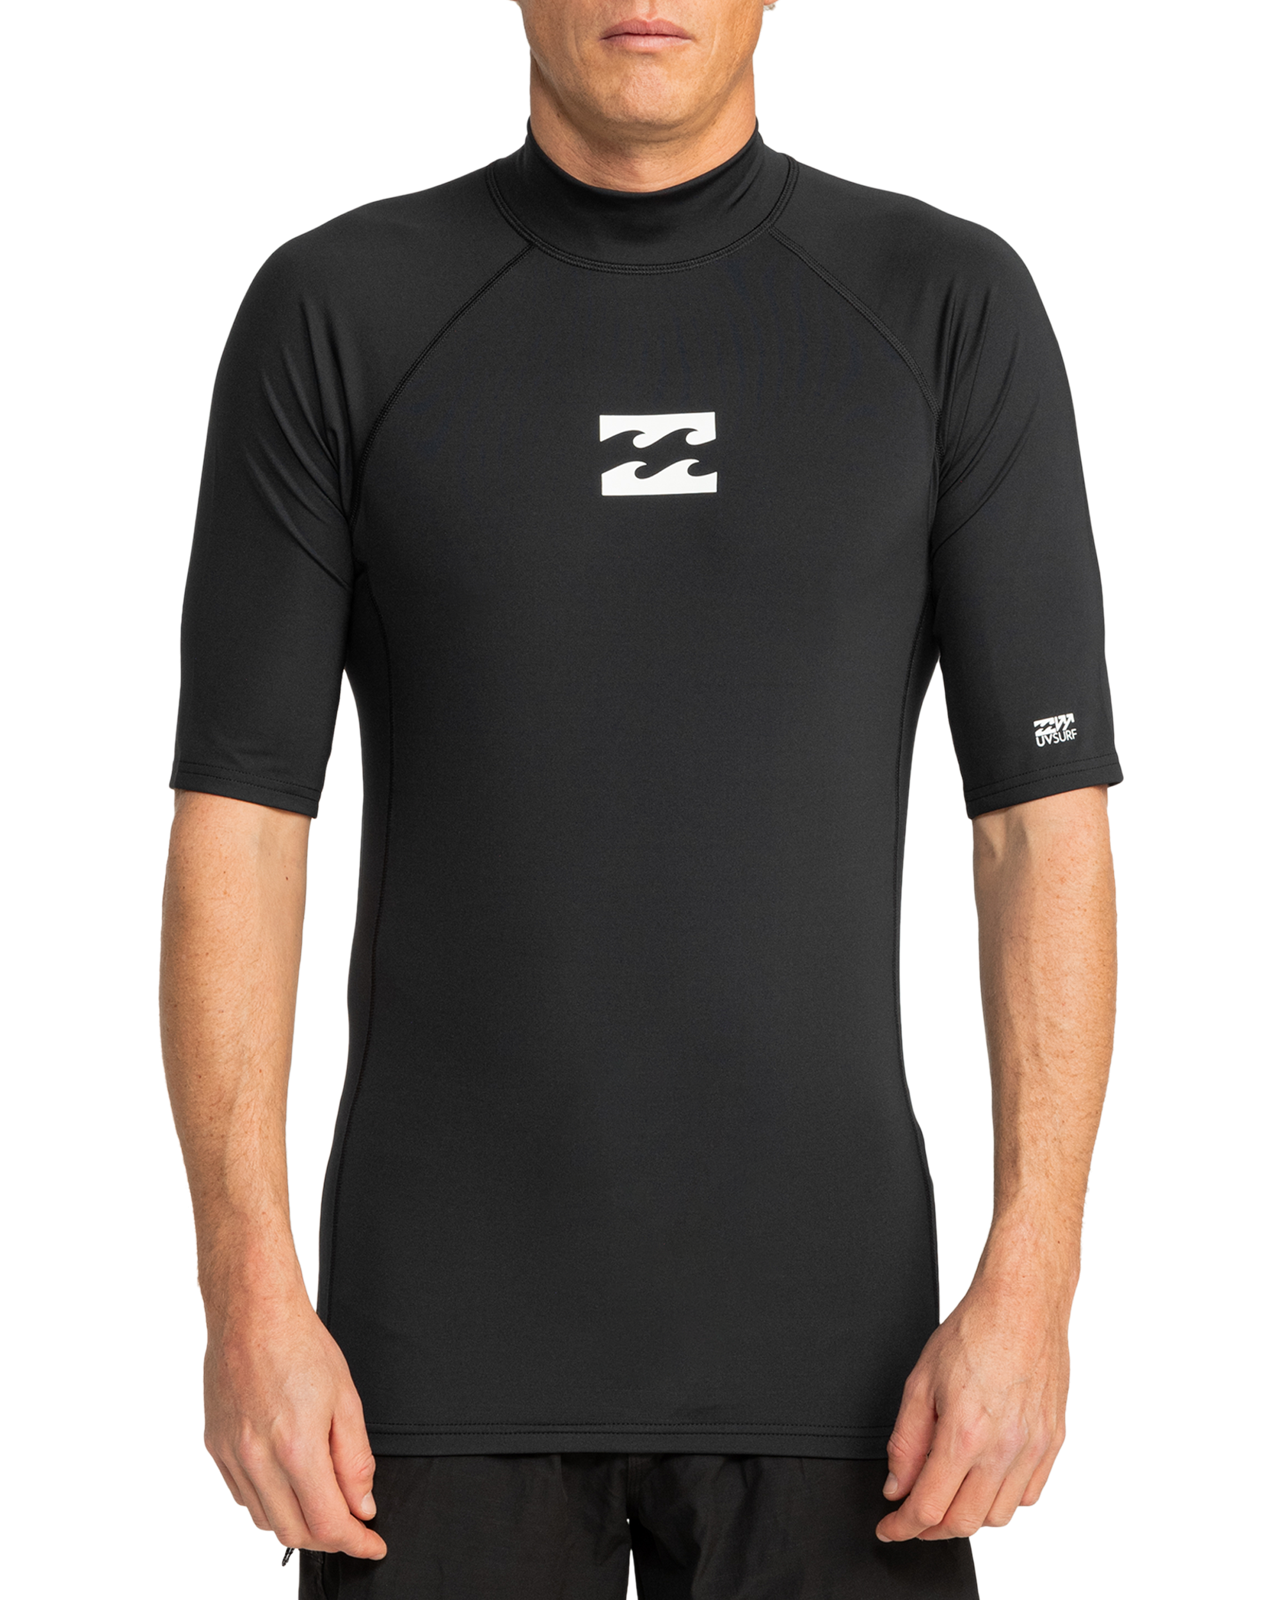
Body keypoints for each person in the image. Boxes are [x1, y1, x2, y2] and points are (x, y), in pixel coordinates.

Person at [158, 3, 1121, 1595]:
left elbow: (1040, 827)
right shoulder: (340, 305)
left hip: (853, 1381)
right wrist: (244, 1294)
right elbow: (241, 832)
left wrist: (1034, 1288)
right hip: (424, 1376)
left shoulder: (944, 299)